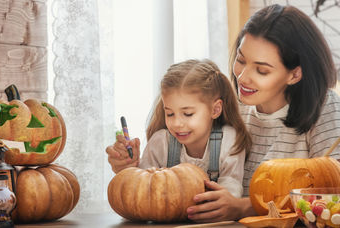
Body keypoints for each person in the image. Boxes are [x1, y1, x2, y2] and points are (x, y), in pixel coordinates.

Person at [187, 4, 340, 222]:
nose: (242, 78)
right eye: (240, 60)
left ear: (294, 75)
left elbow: (332, 192)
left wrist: (244, 207)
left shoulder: (324, 106)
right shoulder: (231, 106)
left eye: (262, 70)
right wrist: (131, 167)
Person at [106, 59, 252, 223]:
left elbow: (230, 191)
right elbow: (141, 190)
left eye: (188, 114)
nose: (176, 123)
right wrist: (129, 168)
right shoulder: (161, 142)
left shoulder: (229, 140)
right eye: (170, 114)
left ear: (215, 109)